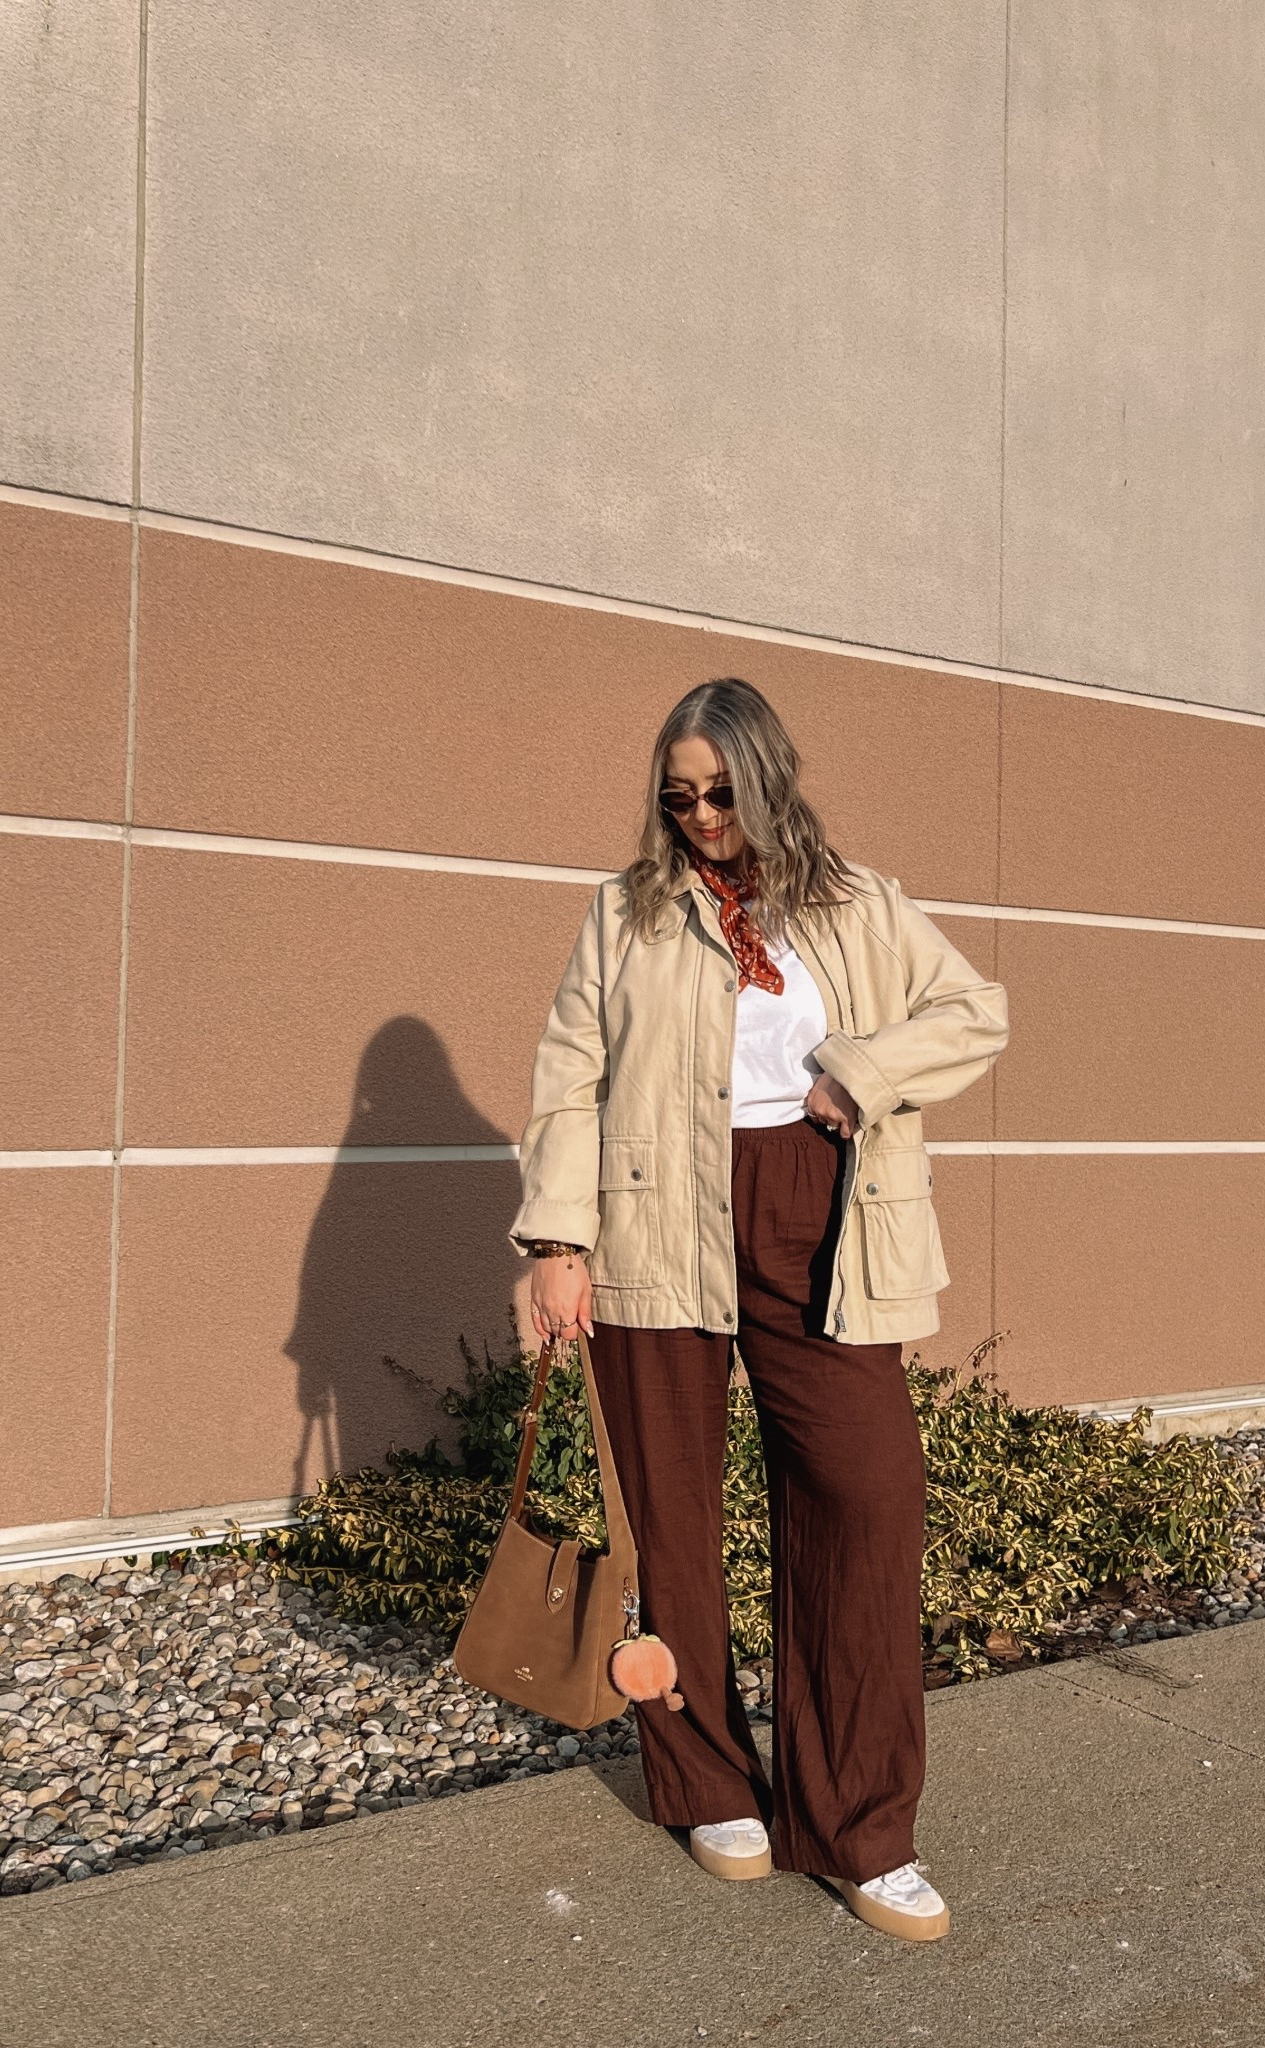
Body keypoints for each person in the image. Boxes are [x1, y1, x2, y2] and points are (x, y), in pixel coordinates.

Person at [508, 675, 1008, 1942]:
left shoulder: (858, 903)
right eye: (679, 796)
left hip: (817, 1208)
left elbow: (975, 1011)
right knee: (667, 1505)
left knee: (867, 1490)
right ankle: (709, 1778)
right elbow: (573, 1073)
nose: (701, 815)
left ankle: (862, 1827)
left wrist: (860, 1068)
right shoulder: (625, 912)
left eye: (722, 791)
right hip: (655, 1210)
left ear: (769, 778)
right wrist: (559, 1240)